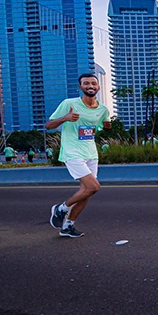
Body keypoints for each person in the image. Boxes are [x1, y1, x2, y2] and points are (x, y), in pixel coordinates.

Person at [45, 73, 111, 238]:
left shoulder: (103, 109)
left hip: (91, 153)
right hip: (72, 152)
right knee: (94, 187)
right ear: (80, 87)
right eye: (86, 83)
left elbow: (102, 126)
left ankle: (68, 226)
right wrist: (65, 118)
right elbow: (49, 125)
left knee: (87, 191)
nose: (90, 86)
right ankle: (61, 208)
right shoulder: (69, 104)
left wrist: (108, 126)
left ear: (98, 87)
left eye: (93, 83)